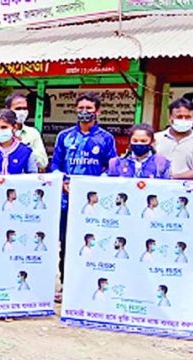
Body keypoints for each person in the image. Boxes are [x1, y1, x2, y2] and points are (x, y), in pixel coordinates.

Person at [50, 92, 116, 300]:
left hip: (93, 205)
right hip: (66, 202)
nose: (84, 112)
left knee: (92, 245)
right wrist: (63, 182)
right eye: (81, 108)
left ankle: (88, 285)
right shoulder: (65, 136)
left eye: (89, 108)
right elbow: (55, 166)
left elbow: (111, 167)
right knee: (67, 244)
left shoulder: (105, 138)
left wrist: (95, 187)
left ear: (98, 111)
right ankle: (67, 286)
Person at [0, 92, 48, 171]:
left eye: (25, 108)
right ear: (7, 109)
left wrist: (22, 150)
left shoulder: (33, 133)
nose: (22, 112)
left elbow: (43, 162)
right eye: (18, 109)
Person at [155, 98, 193, 180]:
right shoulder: (155, 139)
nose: (183, 120)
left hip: (187, 190)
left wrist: (171, 177)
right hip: (156, 188)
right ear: (170, 118)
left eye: (188, 117)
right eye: (179, 117)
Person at [106, 124, 171, 179]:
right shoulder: (115, 163)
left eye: (143, 141)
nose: (139, 143)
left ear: (152, 142)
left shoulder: (162, 163)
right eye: (135, 140)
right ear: (129, 142)